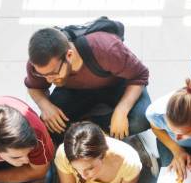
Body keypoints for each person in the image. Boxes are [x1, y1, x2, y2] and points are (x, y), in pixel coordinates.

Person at [24, 26, 152, 147]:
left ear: (69, 55)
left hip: (116, 84)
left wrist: (121, 110)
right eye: (43, 74)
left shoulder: (106, 48)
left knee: (141, 120)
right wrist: (44, 105)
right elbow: (34, 87)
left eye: (53, 73)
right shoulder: (38, 64)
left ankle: (90, 126)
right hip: (75, 90)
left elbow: (140, 75)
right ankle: (100, 127)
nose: (48, 80)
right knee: (49, 126)